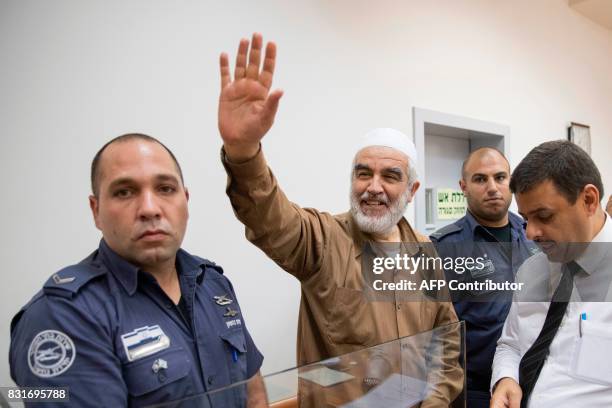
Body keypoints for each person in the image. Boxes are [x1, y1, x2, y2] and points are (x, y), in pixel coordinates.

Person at [217, 33, 462, 407]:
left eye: (390, 177)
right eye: (363, 174)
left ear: (412, 191)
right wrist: (243, 151)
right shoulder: (322, 239)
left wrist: (436, 401)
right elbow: (270, 218)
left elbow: (445, 340)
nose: (373, 187)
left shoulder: (424, 252)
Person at [10, 134, 266, 407]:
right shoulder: (63, 315)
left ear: (186, 201)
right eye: (124, 192)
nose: (149, 209)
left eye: (165, 189)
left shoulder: (213, 284)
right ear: (96, 210)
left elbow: (255, 393)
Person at [490, 140, 612, 407]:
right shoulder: (531, 271)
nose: (530, 233)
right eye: (524, 219)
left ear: (588, 200)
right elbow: (510, 344)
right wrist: (506, 378)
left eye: (543, 216)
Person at [430, 148, 534, 408]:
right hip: (475, 394)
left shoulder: (535, 236)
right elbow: (429, 336)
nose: (492, 187)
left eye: (500, 177)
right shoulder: (442, 248)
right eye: (480, 179)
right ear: (463, 186)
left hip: (533, 386)